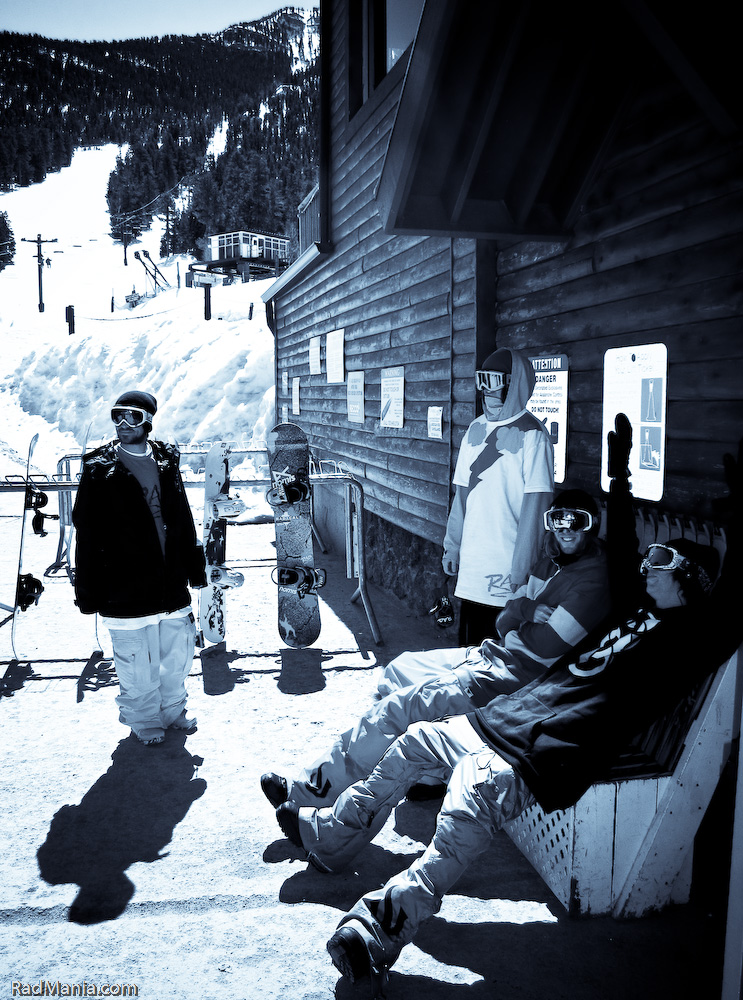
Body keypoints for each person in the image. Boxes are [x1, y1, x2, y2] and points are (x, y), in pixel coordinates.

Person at [272, 415, 741, 993]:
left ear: (690, 578)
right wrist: (619, 478)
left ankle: (381, 926)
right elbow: (621, 549)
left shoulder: (686, 642)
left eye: (661, 560)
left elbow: (730, 607)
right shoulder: (633, 606)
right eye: (648, 558)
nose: (646, 566)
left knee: (463, 814)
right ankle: (333, 836)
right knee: (410, 745)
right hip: (504, 719)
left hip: (543, 749)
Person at [261, 488, 610, 812]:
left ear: (592, 525)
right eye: (557, 520)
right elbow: (505, 621)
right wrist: (526, 609)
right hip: (495, 654)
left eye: (576, 521)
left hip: (517, 679)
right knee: (399, 671)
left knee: (399, 708)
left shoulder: (593, 580)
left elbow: (546, 647)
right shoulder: (548, 562)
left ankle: (310, 793)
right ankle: (429, 773)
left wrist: (519, 614)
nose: (565, 530)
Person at [72, 390, 206, 746]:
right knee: (135, 662)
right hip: (123, 583)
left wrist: (195, 569)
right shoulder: (99, 468)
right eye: (116, 415)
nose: (122, 423)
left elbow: (183, 519)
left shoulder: (166, 461)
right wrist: (87, 590)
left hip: (169, 579)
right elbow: (87, 531)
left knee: (177, 655)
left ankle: (173, 711)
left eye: (131, 416)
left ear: (147, 421)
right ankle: (144, 720)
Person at [444, 347, 554, 645]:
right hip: (473, 563)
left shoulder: (533, 435)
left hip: (507, 566)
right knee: (468, 647)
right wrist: (452, 546)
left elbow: (536, 510)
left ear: (514, 384)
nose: (486, 392)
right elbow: (461, 496)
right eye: (482, 381)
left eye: (493, 382)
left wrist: (522, 570)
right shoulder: (475, 428)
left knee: (498, 648)